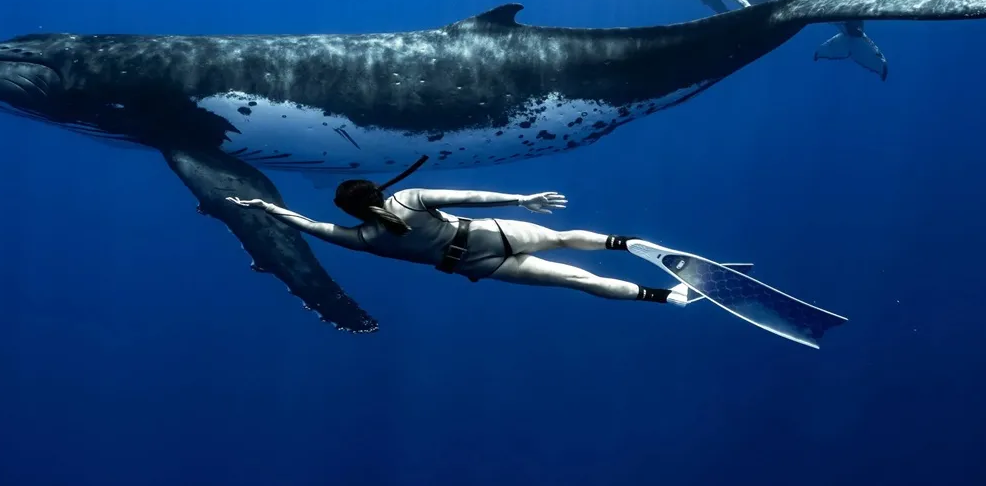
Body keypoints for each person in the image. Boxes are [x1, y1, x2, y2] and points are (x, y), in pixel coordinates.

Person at [226, 156, 689, 306]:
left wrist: (264, 206)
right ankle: (625, 243)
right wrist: (522, 199)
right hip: (489, 232)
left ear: (351, 209)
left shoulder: (362, 238)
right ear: (375, 191)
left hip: (474, 264)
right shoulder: (409, 198)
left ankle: (662, 297)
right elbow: (472, 196)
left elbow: (307, 225)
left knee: (576, 280)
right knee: (567, 238)